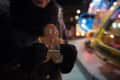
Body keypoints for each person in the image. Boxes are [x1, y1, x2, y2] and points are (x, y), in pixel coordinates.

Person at [0, 0, 77, 80]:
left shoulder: (55, 13)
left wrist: (64, 56)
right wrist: (19, 59)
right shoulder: (5, 14)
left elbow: (58, 44)